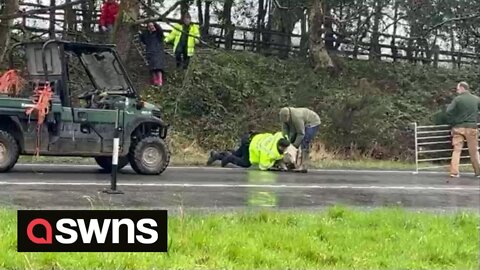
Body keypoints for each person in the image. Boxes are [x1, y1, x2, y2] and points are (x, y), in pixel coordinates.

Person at [207, 131, 291, 171]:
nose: (286, 150)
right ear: (280, 147)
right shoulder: (269, 152)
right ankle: (227, 158)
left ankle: (217, 155)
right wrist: (275, 163)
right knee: (245, 163)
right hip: (250, 146)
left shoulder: (279, 137)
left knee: (237, 154)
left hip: (250, 138)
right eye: (285, 149)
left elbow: (283, 134)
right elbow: (263, 166)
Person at [446, 82, 480, 178]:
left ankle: (454, 172)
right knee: (474, 151)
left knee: (456, 150)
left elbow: (449, 111)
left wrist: (453, 121)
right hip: (472, 127)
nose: (457, 91)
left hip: (458, 127)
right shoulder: (476, 99)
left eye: (457, 89)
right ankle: (478, 172)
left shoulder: (457, 99)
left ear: (462, 88)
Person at [140, 22, 167, 86]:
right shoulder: (147, 35)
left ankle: (160, 81)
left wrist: (156, 28)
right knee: (152, 68)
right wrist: (140, 34)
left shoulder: (158, 34)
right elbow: (144, 40)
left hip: (158, 52)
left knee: (158, 68)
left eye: (152, 26)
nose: (151, 27)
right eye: (149, 26)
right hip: (150, 52)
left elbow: (161, 32)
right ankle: (155, 81)